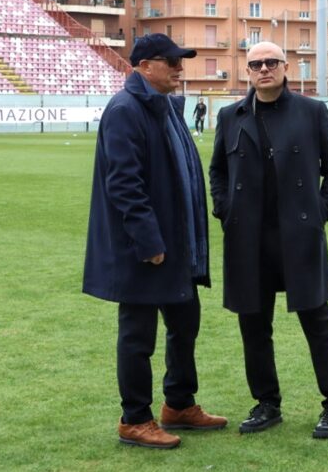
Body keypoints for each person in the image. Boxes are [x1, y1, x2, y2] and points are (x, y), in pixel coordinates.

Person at [83, 33, 226, 450]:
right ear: (145, 66)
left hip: (177, 245)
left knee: (185, 325)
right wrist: (149, 241)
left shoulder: (164, 106)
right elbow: (125, 185)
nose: (180, 69)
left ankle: (179, 403)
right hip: (146, 250)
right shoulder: (126, 109)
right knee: (138, 335)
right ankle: (135, 418)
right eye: (172, 62)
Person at [210, 41, 328, 440]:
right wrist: (225, 210)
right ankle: (267, 403)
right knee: (253, 326)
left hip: (298, 235)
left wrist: (320, 213)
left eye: (272, 62)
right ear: (247, 71)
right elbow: (217, 170)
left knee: (318, 322)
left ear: (286, 67)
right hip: (248, 239)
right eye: (256, 64)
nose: (264, 69)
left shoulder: (311, 112)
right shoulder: (230, 115)